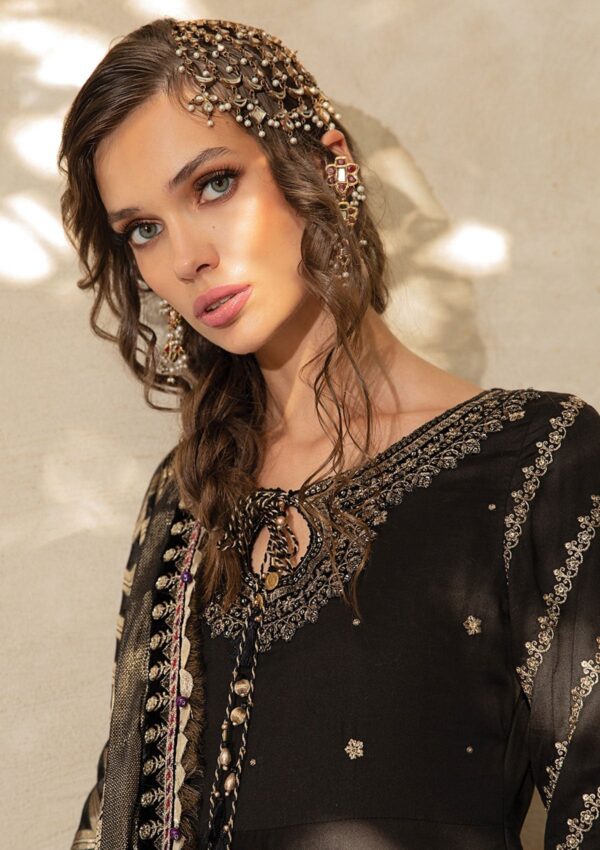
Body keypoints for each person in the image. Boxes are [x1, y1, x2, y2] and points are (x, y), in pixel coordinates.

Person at [59, 17, 600, 850]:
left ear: (327, 163)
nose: (186, 257)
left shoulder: (537, 464)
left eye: (212, 184)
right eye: (144, 228)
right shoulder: (185, 494)